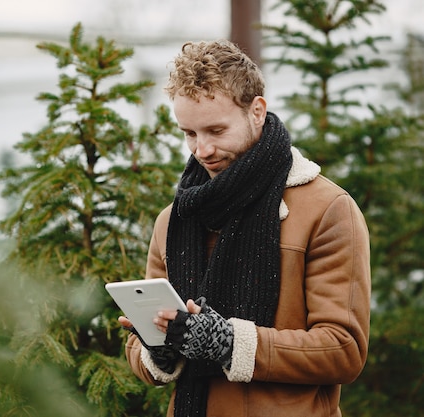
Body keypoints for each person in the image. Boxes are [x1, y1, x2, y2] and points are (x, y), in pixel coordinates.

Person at [118, 39, 371, 417]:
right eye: (189, 133)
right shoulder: (174, 218)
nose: (201, 150)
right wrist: (157, 346)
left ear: (256, 111)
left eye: (216, 131)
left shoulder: (328, 210)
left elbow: (343, 350)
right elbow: (141, 355)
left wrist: (228, 342)